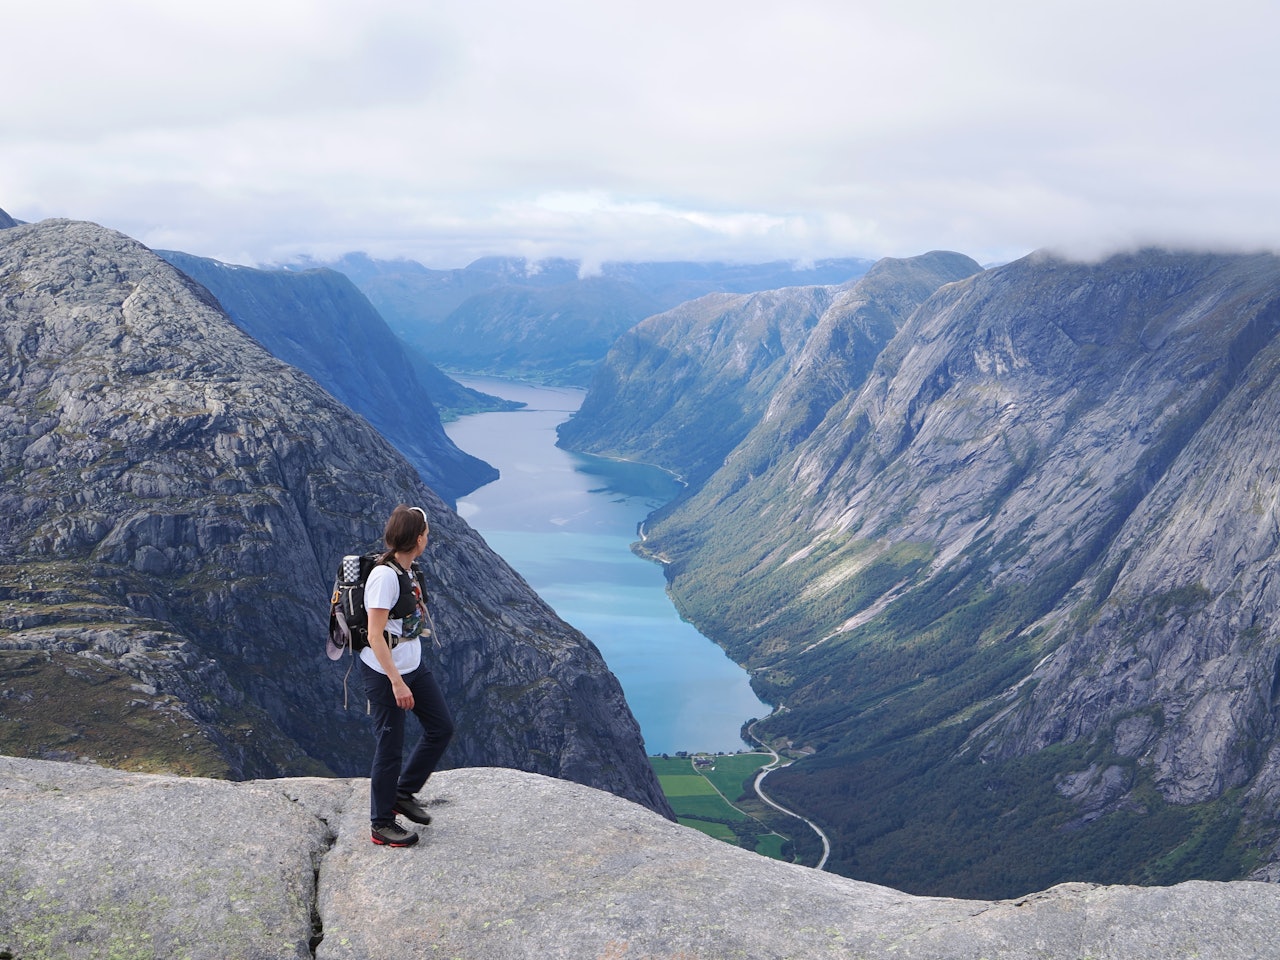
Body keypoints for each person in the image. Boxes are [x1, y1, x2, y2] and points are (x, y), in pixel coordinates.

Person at [360, 504, 455, 847]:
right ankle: (381, 824)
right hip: (387, 674)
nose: (428, 538)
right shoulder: (384, 577)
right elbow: (374, 635)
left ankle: (403, 792)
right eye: (426, 533)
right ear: (418, 539)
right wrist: (396, 682)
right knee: (390, 749)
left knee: (441, 727)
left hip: (413, 667)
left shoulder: (407, 569)